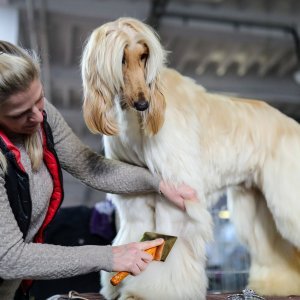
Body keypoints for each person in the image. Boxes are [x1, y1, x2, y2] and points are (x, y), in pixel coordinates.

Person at [0, 40, 198, 300]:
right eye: (20, 114)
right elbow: (9, 258)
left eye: (39, 100)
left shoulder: (42, 115)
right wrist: (110, 256)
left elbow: (90, 167)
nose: (38, 117)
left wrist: (159, 184)